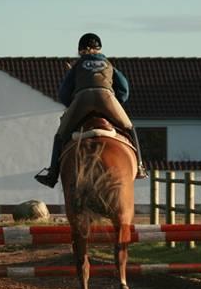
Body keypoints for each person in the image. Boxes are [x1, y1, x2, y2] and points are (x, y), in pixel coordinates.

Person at [34, 33, 148, 188]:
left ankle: (52, 174)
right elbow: (124, 90)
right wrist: (114, 105)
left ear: (80, 50)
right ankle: (140, 166)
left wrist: (73, 105)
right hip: (107, 98)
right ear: (99, 49)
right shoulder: (109, 65)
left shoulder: (77, 66)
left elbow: (63, 94)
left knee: (60, 135)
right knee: (130, 128)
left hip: (82, 100)